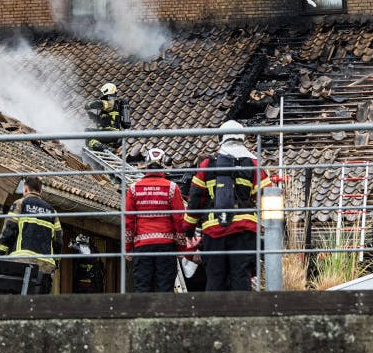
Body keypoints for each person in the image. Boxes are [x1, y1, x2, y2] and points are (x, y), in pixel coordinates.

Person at [183, 120, 271, 291]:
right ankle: (241, 316)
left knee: (215, 278)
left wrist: (188, 229)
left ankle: (214, 315)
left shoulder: (207, 165)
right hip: (244, 233)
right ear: (242, 138)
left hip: (213, 232)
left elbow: (195, 199)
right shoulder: (254, 165)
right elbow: (267, 195)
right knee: (241, 277)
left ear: (221, 138)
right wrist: (269, 227)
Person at [125, 147, 186, 292]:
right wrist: (181, 248)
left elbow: (129, 221)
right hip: (166, 247)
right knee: (165, 289)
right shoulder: (172, 188)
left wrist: (128, 249)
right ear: (163, 164)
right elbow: (179, 220)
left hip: (142, 247)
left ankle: (143, 315)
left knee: (142, 288)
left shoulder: (133, 189)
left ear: (146, 164)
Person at [0, 175, 63, 294]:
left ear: (25, 189)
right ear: (40, 191)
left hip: (22, 262)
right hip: (45, 266)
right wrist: (55, 263)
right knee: (38, 304)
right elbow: (58, 241)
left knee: (16, 300)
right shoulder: (52, 212)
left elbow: (8, 232)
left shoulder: (20, 204)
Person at [85, 82, 131, 152]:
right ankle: (104, 148)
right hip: (109, 134)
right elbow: (102, 122)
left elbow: (100, 104)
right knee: (90, 138)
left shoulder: (112, 102)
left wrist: (88, 105)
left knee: (88, 132)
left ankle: (104, 149)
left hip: (111, 133)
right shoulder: (110, 108)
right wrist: (92, 116)